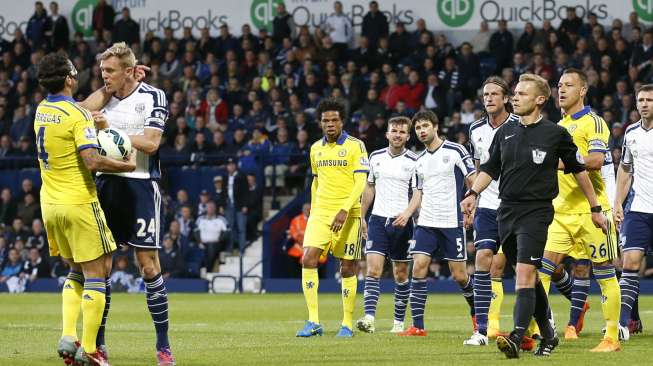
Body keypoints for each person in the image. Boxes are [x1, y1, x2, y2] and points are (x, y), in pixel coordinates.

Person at [460, 73, 607, 358]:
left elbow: (579, 171)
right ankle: (549, 336)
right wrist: (472, 194)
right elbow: (490, 168)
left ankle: (516, 337)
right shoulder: (505, 132)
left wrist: (596, 208)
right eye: (514, 93)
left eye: (522, 94)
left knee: (526, 274)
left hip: (537, 212)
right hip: (507, 212)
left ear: (539, 100)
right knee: (528, 276)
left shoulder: (556, 134)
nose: (515, 98)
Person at [34, 52, 135, 365]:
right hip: (78, 201)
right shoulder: (76, 116)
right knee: (99, 270)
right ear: (68, 78)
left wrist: (104, 95)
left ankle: (68, 336)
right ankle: (89, 350)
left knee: (75, 269)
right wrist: (127, 165)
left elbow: (79, 110)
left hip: (50, 204)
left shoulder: (42, 109)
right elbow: (92, 160)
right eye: (74, 72)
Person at [93, 42, 176, 366]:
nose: (104, 76)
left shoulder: (152, 96)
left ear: (130, 71)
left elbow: (152, 143)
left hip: (141, 185)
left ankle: (163, 347)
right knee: (101, 270)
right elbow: (79, 112)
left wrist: (109, 129)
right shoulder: (103, 99)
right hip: (105, 184)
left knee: (149, 267)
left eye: (110, 71)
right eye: (102, 71)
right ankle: (98, 346)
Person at [536, 68, 621, 352]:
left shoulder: (593, 122)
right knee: (541, 271)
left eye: (568, 85)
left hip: (592, 212)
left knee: (604, 272)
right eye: (559, 85)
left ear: (582, 90)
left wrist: (558, 162)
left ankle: (611, 338)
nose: (561, 90)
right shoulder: (560, 125)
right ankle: (539, 330)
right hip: (560, 213)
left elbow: (596, 160)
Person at [399, 110, 476, 337]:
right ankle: (418, 326)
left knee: (460, 275)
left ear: (436, 126)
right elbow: (417, 193)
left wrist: (473, 206)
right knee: (419, 266)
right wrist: (407, 213)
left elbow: (473, 178)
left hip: (452, 222)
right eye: (418, 129)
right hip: (426, 222)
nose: (422, 131)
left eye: (425, 126)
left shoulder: (455, 150)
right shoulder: (419, 161)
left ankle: (478, 314)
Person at [296, 98, 369, 338]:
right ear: (320, 123)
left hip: (349, 213)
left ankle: (347, 324)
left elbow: (360, 182)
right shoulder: (315, 148)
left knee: (347, 268)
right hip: (321, 213)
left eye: (334, 120)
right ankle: (313, 321)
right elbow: (316, 180)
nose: (330, 124)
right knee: (308, 259)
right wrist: (315, 209)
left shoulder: (355, 146)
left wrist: (345, 209)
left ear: (342, 121)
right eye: (325, 120)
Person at [464, 77, 520, 346]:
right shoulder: (475, 129)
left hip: (516, 206)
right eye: (485, 94)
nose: (488, 99)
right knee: (483, 258)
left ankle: (540, 320)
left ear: (506, 98)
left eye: (494, 94)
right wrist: (472, 197)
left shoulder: (519, 126)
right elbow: (478, 168)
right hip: (487, 205)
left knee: (525, 267)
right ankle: (482, 330)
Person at [355, 116, 417, 334]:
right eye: (394, 131)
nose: (398, 135)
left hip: (402, 223)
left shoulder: (414, 161)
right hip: (378, 220)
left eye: (402, 132)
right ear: (387, 134)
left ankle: (398, 322)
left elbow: (419, 193)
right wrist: (362, 216)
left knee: (401, 274)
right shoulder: (375, 157)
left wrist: (409, 214)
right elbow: (369, 188)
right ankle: (369, 318)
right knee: (372, 270)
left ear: (408, 136)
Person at [614, 84, 653, 341]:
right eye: (640, 100)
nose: (644, 104)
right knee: (629, 264)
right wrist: (617, 202)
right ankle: (624, 324)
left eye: (649, 100)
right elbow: (625, 170)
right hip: (638, 209)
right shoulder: (631, 133)